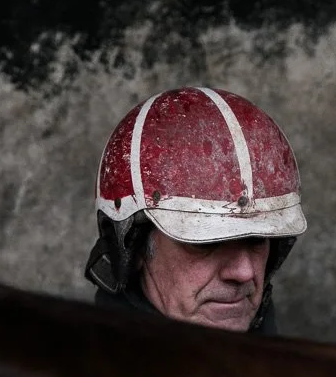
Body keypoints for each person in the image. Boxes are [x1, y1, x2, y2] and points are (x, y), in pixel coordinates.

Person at [83, 86, 307, 335]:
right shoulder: (75, 373)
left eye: (257, 240)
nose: (244, 272)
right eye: (205, 243)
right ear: (132, 251)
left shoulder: (291, 372)